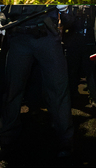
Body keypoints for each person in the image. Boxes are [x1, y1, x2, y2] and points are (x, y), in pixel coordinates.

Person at [0, 5, 74, 159]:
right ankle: (6, 140)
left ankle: (65, 140)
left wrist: (65, 9)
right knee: (12, 90)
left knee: (58, 88)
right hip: (18, 38)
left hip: (47, 38)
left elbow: (70, 20)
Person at [61, 5, 96, 107]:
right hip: (73, 41)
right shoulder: (70, 6)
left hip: (89, 42)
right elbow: (65, 21)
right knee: (72, 70)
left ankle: (94, 98)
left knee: (90, 71)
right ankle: (72, 96)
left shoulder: (93, 6)